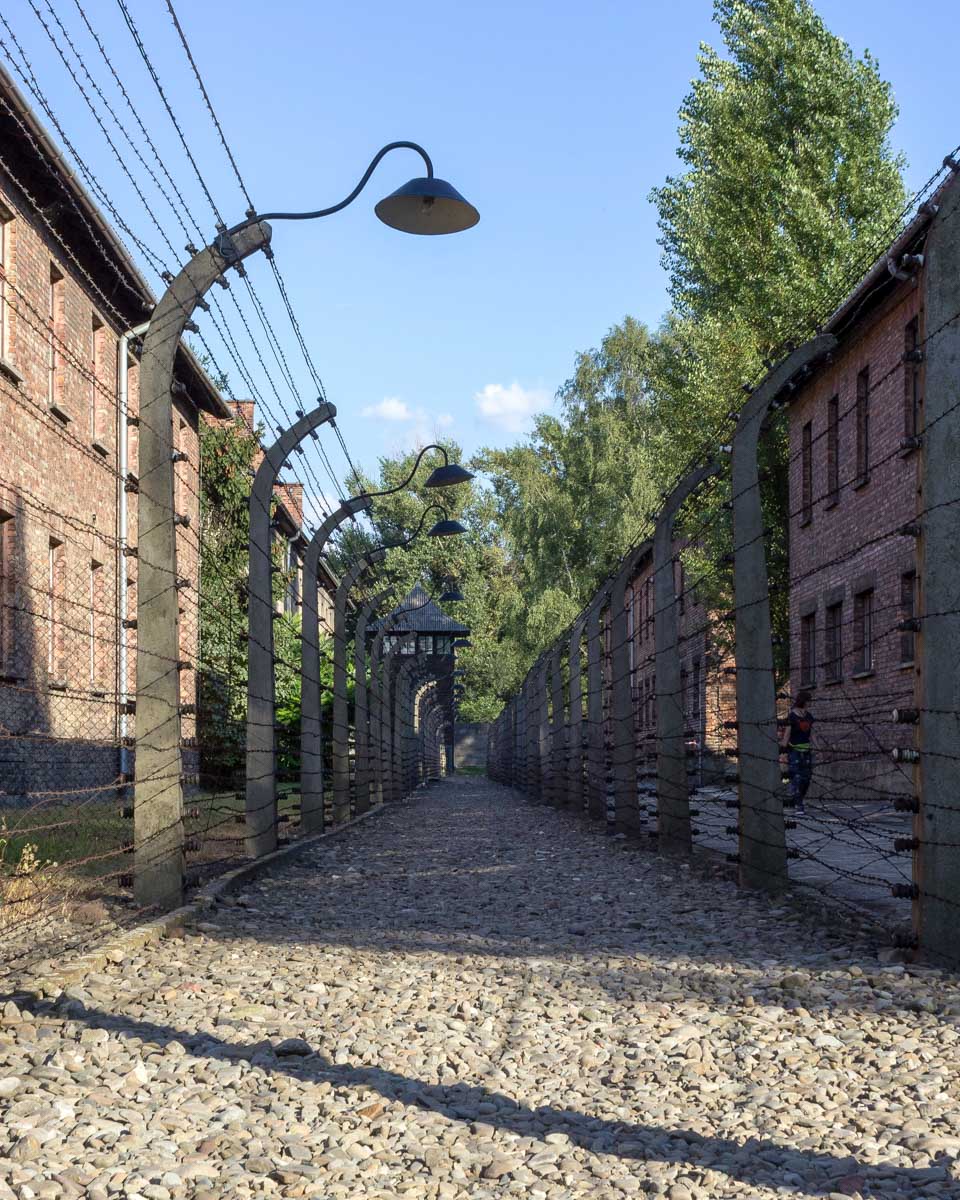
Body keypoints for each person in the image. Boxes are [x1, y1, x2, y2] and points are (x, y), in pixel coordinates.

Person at [781, 690, 814, 815]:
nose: (810, 703)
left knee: (807, 777)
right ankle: (798, 803)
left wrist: (820, 747)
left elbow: (812, 734)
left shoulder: (809, 716)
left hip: (806, 750)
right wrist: (783, 752)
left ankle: (798, 797)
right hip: (794, 750)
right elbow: (787, 734)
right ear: (804, 701)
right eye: (808, 701)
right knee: (797, 777)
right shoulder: (792, 716)